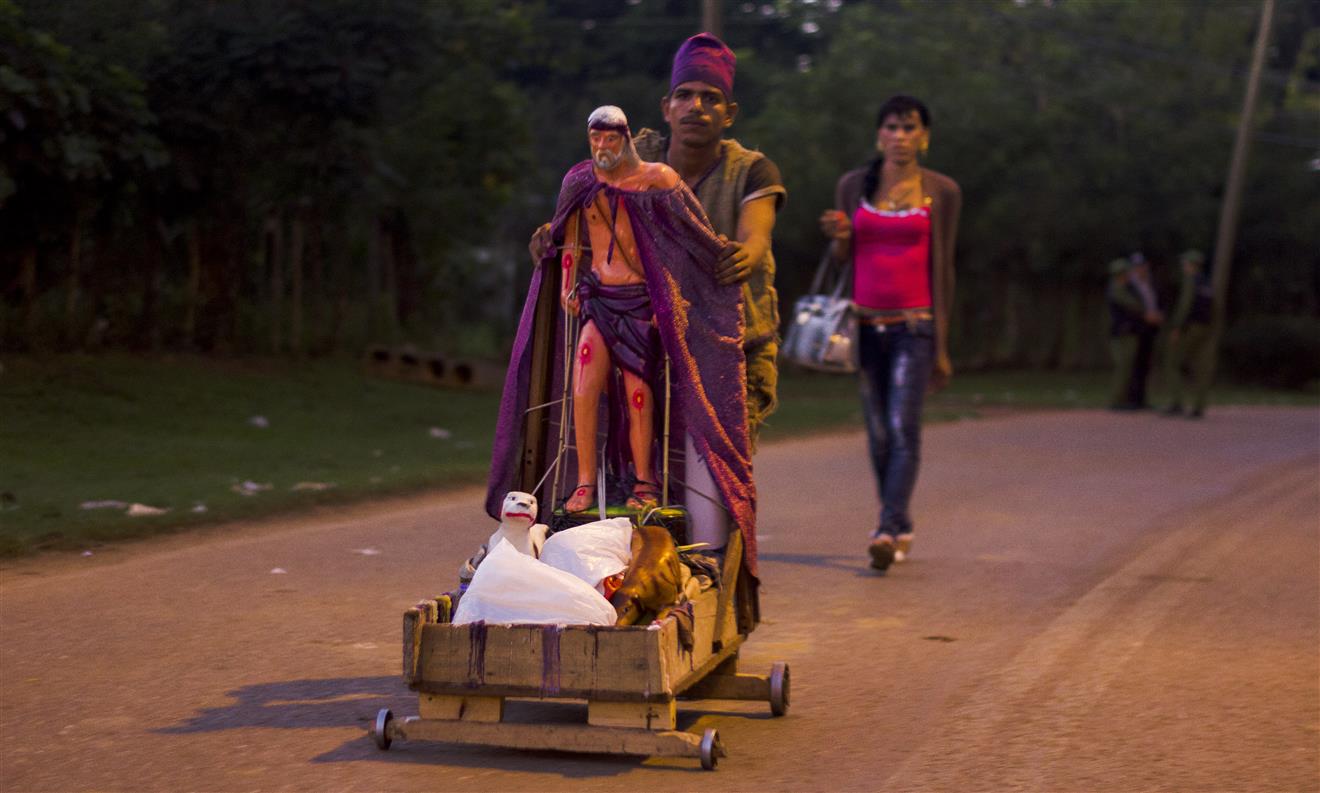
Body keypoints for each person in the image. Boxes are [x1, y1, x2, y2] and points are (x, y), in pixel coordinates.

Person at [488, 104, 762, 622]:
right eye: (595, 136)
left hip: (640, 303)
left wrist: (688, 285)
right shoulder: (579, 181)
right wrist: (568, 282)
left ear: (626, 137)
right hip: (598, 298)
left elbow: (689, 238)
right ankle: (584, 481)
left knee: (639, 393)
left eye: (610, 137)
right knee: (583, 382)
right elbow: (568, 237)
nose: (602, 146)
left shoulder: (658, 181)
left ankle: (643, 483)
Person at [819, 95, 961, 571]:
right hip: (864, 327)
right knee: (879, 433)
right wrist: (840, 237)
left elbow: (945, 267)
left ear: (925, 136)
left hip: (914, 328)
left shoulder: (942, 191)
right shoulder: (854, 185)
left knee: (902, 427)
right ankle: (898, 522)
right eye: (892, 127)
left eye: (910, 127)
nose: (901, 136)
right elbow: (842, 260)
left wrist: (942, 344)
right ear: (879, 134)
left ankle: (884, 527)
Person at [633, 32, 787, 449]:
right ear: (667, 108)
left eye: (710, 98)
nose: (696, 106)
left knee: (721, 476)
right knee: (645, 473)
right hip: (645, 345)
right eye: (684, 95)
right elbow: (590, 217)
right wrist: (555, 235)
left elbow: (755, 236)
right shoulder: (634, 162)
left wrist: (745, 255)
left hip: (735, 350)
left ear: (729, 113)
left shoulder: (752, 170)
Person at [1107, 253, 1163, 410]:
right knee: (1124, 367)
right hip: (1124, 332)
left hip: (1134, 331)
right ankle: (1118, 401)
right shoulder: (1118, 288)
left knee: (1132, 367)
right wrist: (1149, 314)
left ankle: (1130, 400)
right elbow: (1133, 305)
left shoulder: (1128, 286)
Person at [1162, 249, 1214, 418]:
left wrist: (1177, 327)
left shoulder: (1191, 280)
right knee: (1198, 366)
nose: (1183, 266)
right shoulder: (1206, 282)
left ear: (1191, 265)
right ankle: (1199, 405)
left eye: (1185, 263)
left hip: (1189, 327)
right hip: (1204, 327)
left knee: (1172, 363)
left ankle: (1176, 402)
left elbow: (1185, 305)